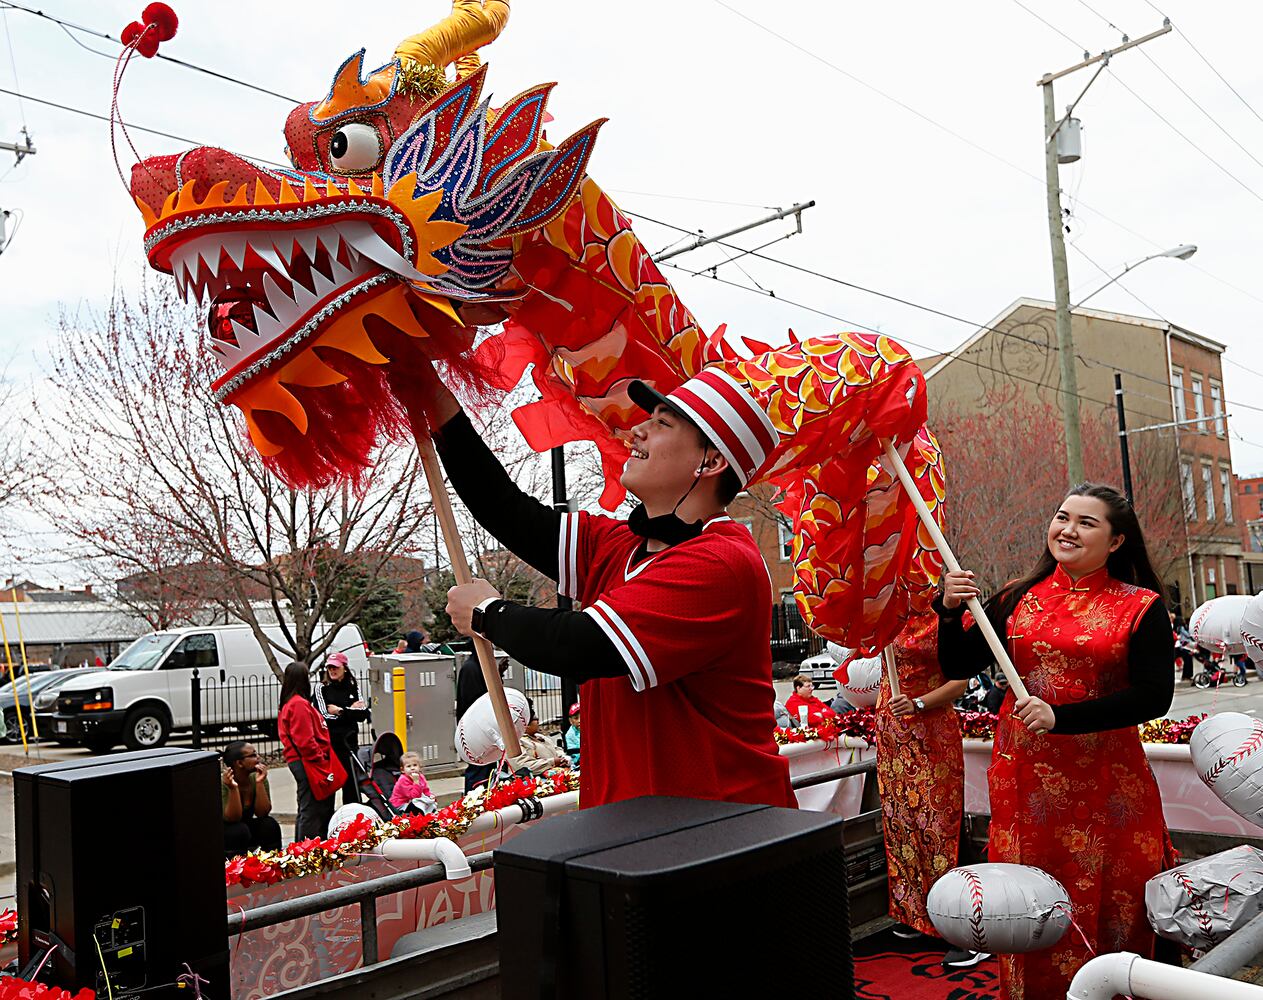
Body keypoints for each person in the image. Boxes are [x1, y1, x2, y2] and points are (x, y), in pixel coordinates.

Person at [428, 364, 794, 810]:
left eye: (661, 423)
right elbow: (508, 511)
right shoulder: (620, 543)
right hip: (637, 832)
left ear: (711, 462)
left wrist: (487, 613)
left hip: (723, 833)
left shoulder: (721, 560)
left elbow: (584, 644)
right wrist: (434, 401)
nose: (637, 431)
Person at [935, 483, 1175, 998]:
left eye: (1087, 523)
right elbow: (958, 664)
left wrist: (1060, 717)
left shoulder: (1141, 607)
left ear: (1115, 542)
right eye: (1062, 517)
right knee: (1029, 896)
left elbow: (1155, 698)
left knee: (1115, 894)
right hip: (1023, 778)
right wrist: (949, 613)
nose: (1067, 530)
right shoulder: (1017, 596)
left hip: (1108, 783)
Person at [872, 610, 977, 966]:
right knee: (901, 824)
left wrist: (918, 702)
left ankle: (966, 926)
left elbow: (960, 682)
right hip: (892, 736)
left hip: (931, 734)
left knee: (939, 825)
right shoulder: (886, 613)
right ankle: (917, 914)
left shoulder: (946, 617)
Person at [277, 661, 346, 841]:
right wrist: (320, 759)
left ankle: (305, 849)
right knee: (313, 810)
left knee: (309, 808)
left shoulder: (288, 703)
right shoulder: (298, 704)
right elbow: (305, 740)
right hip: (309, 762)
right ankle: (309, 850)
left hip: (301, 760)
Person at [314, 652, 368, 805]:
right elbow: (323, 715)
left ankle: (353, 815)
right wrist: (350, 711)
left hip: (350, 742)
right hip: (330, 744)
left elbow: (363, 714)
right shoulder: (322, 688)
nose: (332, 671)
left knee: (351, 782)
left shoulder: (353, 686)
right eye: (330, 667)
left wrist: (340, 711)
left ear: (344, 668)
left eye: (336, 667)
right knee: (331, 783)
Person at [457, 654, 512, 792]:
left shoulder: (478, 665)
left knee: (490, 768)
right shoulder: (471, 668)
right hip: (477, 728)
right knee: (479, 769)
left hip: (485, 727)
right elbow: (476, 699)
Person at [221, 741, 282, 858]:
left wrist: (259, 783)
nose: (258, 757)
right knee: (239, 830)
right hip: (225, 832)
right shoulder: (224, 783)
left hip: (245, 826)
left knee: (269, 824)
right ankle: (236, 870)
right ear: (239, 763)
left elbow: (262, 812)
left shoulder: (257, 777)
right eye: (253, 755)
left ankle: (271, 866)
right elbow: (232, 818)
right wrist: (233, 789)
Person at [509, 702, 573, 776]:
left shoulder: (541, 737)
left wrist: (563, 758)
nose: (538, 722)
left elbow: (556, 749)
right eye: (535, 719)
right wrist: (552, 762)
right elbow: (522, 765)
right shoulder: (515, 742)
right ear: (526, 724)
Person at [564, 702, 581, 767]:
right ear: (571, 721)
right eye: (576, 718)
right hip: (578, 762)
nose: (579, 720)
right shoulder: (570, 734)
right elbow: (573, 754)